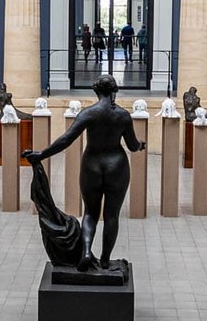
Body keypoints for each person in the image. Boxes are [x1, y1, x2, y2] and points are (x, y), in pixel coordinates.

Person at [23, 74, 144, 272]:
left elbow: (66, 139)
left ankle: (86, 251)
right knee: (112, 215)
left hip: (92, 165)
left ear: (96, 91)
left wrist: (41, 154)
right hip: (117, 165)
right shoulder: (122, 115)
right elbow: (132, 145)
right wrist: (140, 146)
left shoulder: (89, 113)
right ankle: (105, 260)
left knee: (90, 212)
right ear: (114, 91)